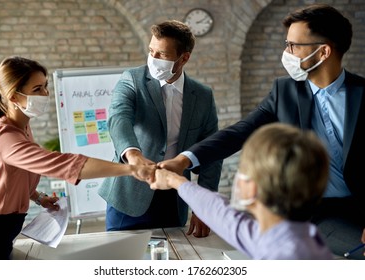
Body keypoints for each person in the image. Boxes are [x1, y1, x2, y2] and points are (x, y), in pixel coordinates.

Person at [158, 4, 365, 259]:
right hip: (302, 210)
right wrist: (184, 159)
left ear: (323, 52)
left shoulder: (362, 94)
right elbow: (239, 132)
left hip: (356, 210)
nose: (286, 52)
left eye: (293, 46)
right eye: (286, 43)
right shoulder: (284, 91)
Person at [0, 56, 155, 260]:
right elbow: (60, 164)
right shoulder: (4, 136)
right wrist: (131, 169)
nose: (46, 94)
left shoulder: (22, 126)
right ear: (14, 97)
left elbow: (11, 176)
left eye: (45, 86)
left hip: (3, 227)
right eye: (37, 89)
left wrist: (38, 197)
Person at [98, 20, 222, 236]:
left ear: (184, 58)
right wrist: (133, 154)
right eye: (151, 51)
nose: (153, 60)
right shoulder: (132, 80)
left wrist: (204, 205)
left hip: (174, 198)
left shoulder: (202, 96)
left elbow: (211, 152)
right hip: (129, 193)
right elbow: (119, 117)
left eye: (162, 55)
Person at [151, 123, 334, 259]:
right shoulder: (291, 237)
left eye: (243, 168)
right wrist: (175, 180)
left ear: (251, 186)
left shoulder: (285, 255)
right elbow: (222, 214)